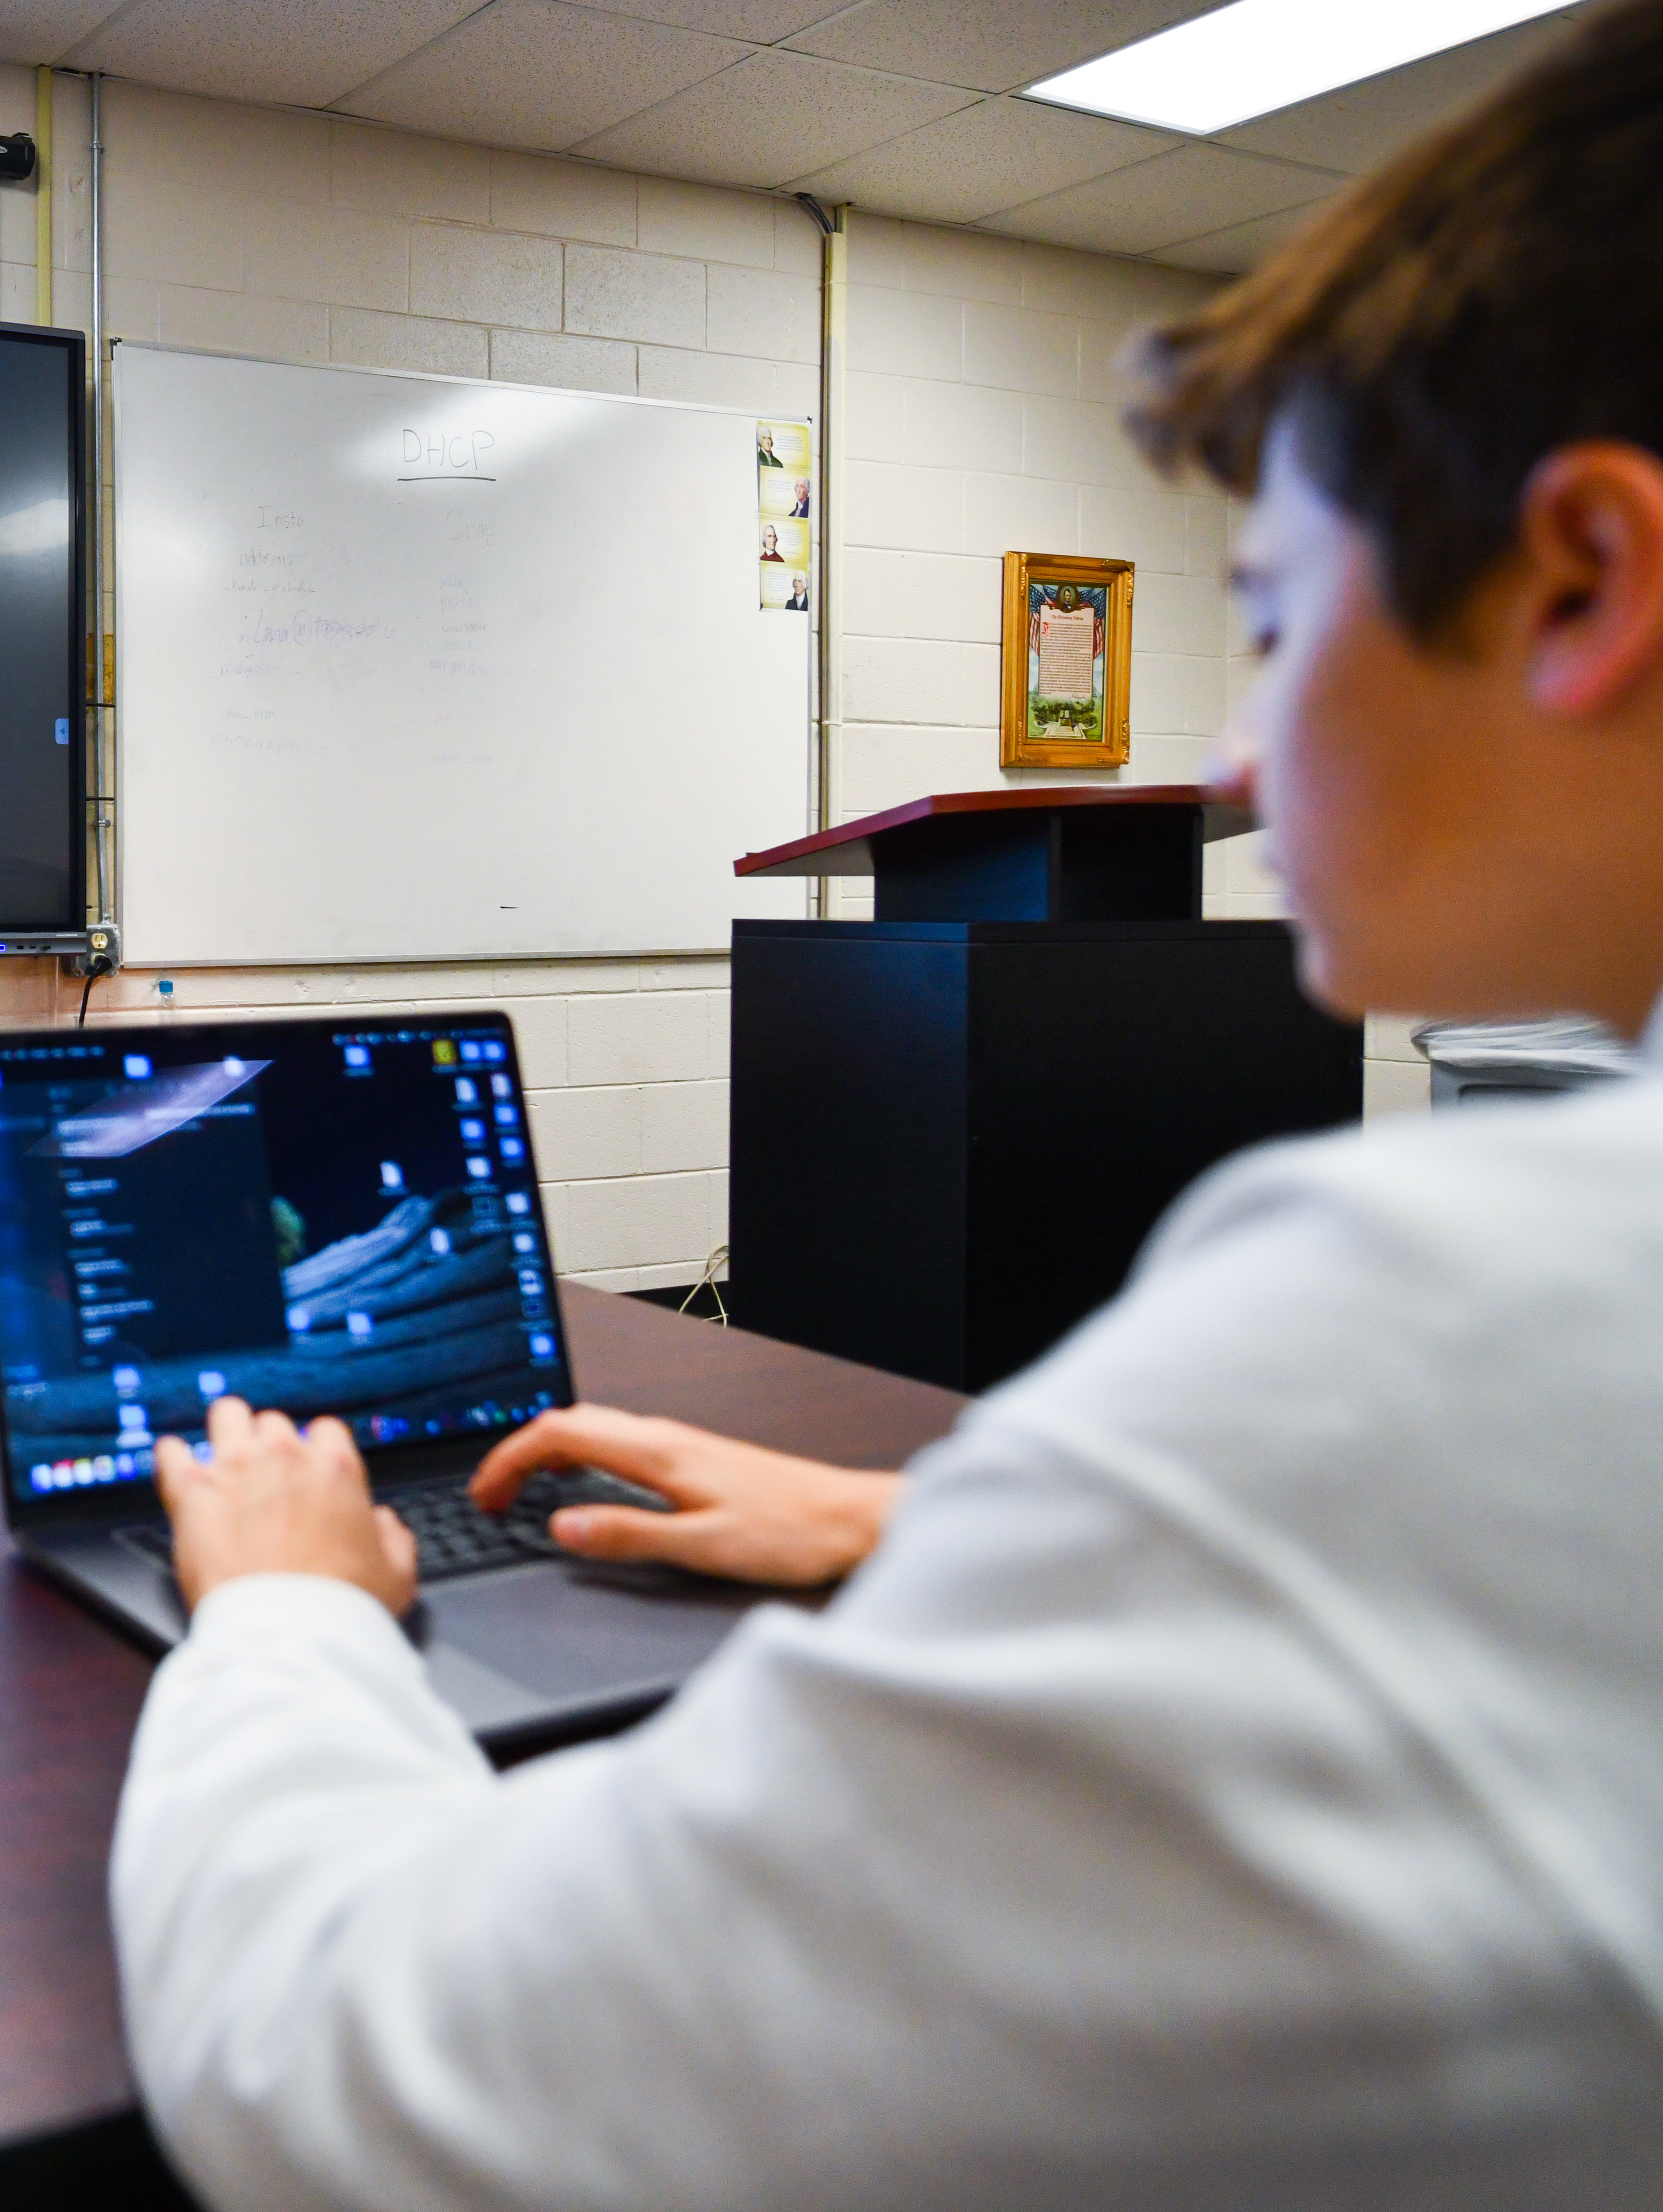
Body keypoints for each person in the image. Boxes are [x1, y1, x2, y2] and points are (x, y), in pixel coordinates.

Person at [111, 6, 1663, 2205]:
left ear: (1584, 581)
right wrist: (954, 1536)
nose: (1239, 757)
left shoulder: (1456, 1316)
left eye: (1274, 615)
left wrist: (279, 1606)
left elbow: (361, 2073)